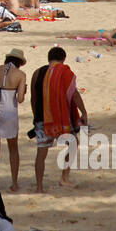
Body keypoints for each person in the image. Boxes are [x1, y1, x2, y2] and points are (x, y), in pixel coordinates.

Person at [29, 46, 85, 192]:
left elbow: (33, 98)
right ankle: (64, 178)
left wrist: (36, 117)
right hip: (61, 118)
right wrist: (83, 112)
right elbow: (74, 94)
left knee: (41, 153)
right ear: (63, 59)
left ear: (48, 58)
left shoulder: (37, 73)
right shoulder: (64, 72)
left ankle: (39, 187)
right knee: (73, 143)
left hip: (42, 118)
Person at [0, 49, 28, 192]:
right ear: (20, 63)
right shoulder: (20, 75)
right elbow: (20, 99)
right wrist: (23, 92)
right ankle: (14, 183)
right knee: (13, 149)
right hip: (10, 114)